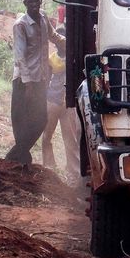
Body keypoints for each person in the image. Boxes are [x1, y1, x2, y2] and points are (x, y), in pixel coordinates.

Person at [6, 0, 66, 165]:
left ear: (41, 2)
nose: (34, 5)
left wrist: (71, 44)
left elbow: (54, 36)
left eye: (37, 2)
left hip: (40, 78)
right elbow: (20, 57)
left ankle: (15, 155)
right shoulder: (20, 25)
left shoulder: (43, 17)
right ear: (24, 3)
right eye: (31, 2)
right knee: (21, 118)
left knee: (41, 119)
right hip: (23, 80)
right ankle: (22, 158)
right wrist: (28, 85)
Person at [41, 26, 81, 182]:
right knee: (46, 136)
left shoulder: (73, 59)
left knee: (70, 139)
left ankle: (73, 172)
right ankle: (49, 168)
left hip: (68, 104)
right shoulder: (51, 59)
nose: (61, 44)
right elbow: (46, 81)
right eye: (59, 41)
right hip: (52, 101)